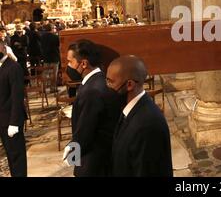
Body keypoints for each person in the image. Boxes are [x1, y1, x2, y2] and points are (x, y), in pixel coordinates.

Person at [63, 40, 122, 177]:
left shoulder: (92, 90)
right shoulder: (99, 79)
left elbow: (86, 130)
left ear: (83, 63)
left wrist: (73, 152)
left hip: (95, 160)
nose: (68, 66)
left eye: (70, 62)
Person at [107, 55, 173, 177]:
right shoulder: (129, 110)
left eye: (110, 82)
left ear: (129, 85)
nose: (107, 87)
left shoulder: (147, 125)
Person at [0, 40, 27, 177]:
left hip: (11, 120)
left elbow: (17, 97)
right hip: (2, 118)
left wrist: (14, 123)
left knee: (17, 158)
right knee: (10, 157)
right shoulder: (2, 66)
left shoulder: (13, 67)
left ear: (2, 47)